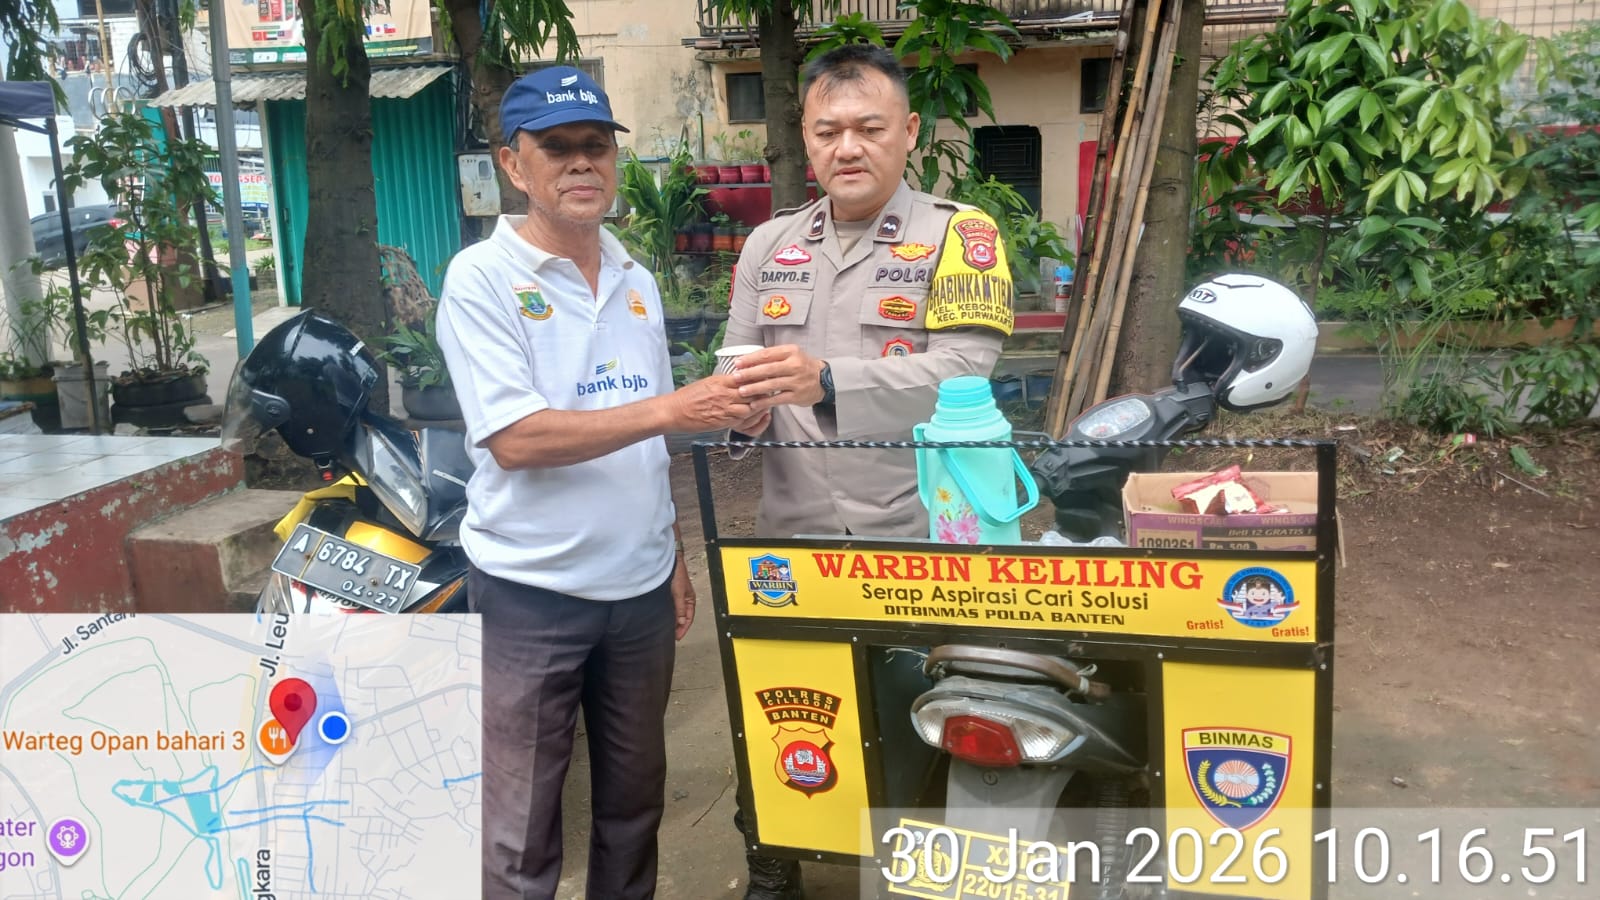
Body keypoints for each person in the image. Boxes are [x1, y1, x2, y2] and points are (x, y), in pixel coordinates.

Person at [434, 66, 754, 900]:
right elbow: (516, 439)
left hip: (639, 591)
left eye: (596, 146)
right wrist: (674, 408)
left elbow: (649, 441)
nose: (582, 163)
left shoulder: (634, 280)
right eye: (557, 147)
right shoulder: (482, 278)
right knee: (520, 829)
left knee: (633, 804)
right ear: (514, 165)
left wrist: (671, 550)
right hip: (530, 591)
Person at [719, 43, 1017, 900]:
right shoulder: (769, 243)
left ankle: (920, 863)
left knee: (923, 707)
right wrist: (737, 410)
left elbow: (965, 373)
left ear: (909, 131)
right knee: (784, 702)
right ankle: (773, 860)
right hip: (792, 535)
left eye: (869, 128)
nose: (847, 148)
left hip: (918, 531)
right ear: (806, 140)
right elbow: (735, 368)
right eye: (828, 131)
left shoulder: (961, 235)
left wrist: (828, 381)